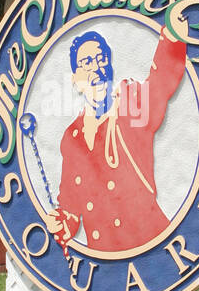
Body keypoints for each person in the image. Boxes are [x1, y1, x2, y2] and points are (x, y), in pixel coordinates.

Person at [45, 26, 186, 253]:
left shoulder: (131, 107)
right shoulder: (71, 138)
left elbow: (161, 81)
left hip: (151, 247)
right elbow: (72, 208)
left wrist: (173, 32)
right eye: (87, 63)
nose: (97, 69)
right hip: (105, 257)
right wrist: (62, 222)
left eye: (102, 60)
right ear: (75, 79)